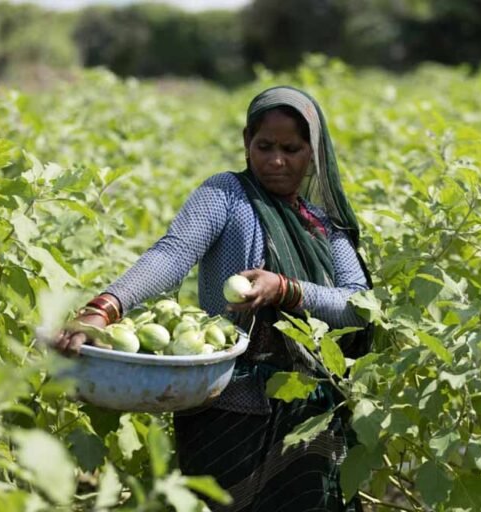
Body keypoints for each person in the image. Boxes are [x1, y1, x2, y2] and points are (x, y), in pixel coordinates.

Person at [56, 85, 372, 511]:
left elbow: (356, 307)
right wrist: (102, 309)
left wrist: (285, 289)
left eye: (291, 149)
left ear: (313, 154)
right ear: (246, 142)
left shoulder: (323, 226)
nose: (276, 160)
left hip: (308, 416)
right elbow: (171, 254)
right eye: (264, 146)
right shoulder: (226, 195)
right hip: (229, 407)